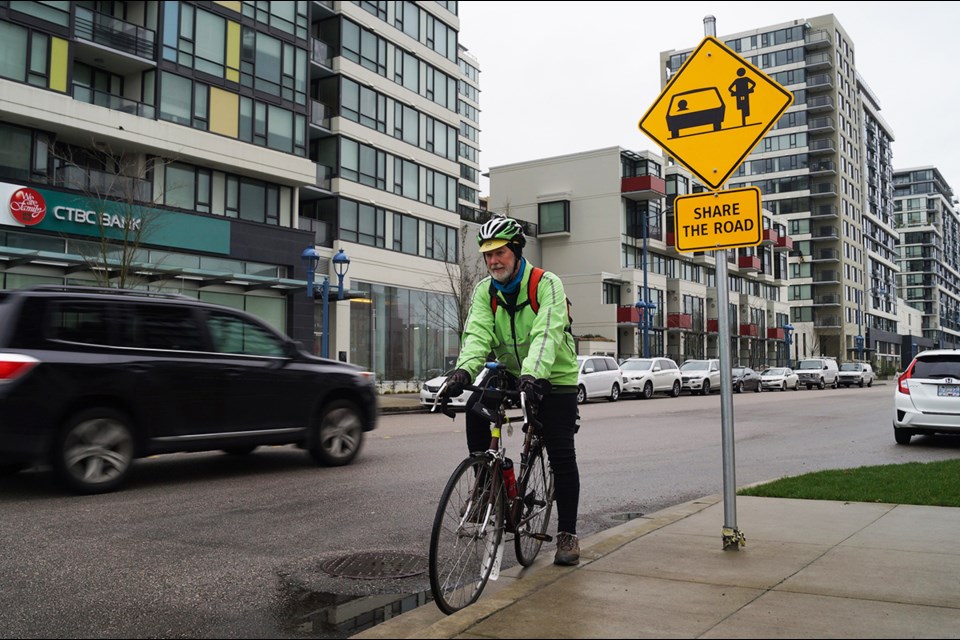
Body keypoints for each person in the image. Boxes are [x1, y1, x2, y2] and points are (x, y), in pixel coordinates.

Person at [444, 216, 582, 566]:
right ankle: (485, 489)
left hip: (554, 376)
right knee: (476, 403)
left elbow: (547, 333)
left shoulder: (545, 284)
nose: (493, 261)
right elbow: (477, 336)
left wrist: (534, 375)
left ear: (517, 252)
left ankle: (567, 533)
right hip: (513, 372)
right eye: (488, 254)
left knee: (561, 453)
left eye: (500, 252)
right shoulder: (483, 292)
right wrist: (463, 370)